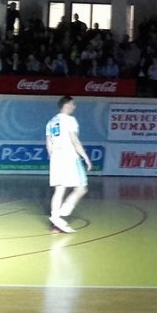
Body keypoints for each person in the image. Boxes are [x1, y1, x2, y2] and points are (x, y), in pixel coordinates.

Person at [45, 96, 93, 233]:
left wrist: (54, 157)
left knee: (59, 189)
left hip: (56, 158)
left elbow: (48, 143)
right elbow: (75, 141)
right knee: (81, 188)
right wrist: (86, 157)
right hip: (70, 157)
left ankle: (55, 219)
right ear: (66, 105)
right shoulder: (70, 120)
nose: (74, 107)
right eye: (72, 104)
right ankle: (61, 214)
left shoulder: (51, 122)